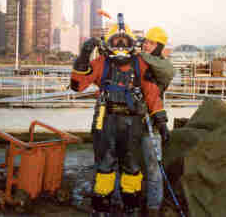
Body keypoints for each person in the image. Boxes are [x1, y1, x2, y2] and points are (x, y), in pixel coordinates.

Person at [70, 17, 170, 217]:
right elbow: (77, 85)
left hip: (133, 124)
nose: (121, 45)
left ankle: (130, 208)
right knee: (105, 167)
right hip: (105, 122)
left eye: (125, 41)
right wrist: (84, 55)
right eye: (117, 41)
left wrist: (161, 121)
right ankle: (101, 209)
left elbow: (151, 94)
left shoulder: (139, 64)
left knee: (131, 167)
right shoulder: (101, 63)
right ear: (109, 43)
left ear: (133, 43)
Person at [140, 26, 175, 217]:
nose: (146, 45)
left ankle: (153, 208)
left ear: (159, 47)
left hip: (150, 123)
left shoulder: (163, 66)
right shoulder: (138, 62)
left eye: (151, 43)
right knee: (129, 166)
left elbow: (169, 71)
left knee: (153, 170)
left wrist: (139, 56)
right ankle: (131, 200)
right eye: (145, 41)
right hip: (130, 122)